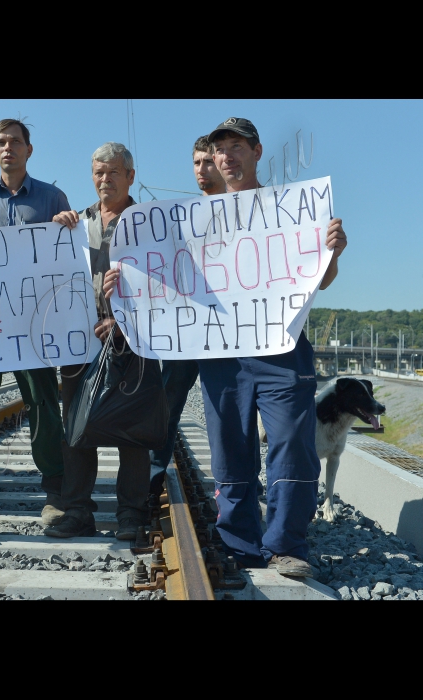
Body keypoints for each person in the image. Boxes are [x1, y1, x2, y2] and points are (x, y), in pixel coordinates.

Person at [107, 117, 347, 576]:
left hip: (282, 351)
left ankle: (287, 544)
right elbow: (163, 279)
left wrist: (331, 252)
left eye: (238, 146)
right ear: (213, 160)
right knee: (230, 449)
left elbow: (322, 282)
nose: (228, 156)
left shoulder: (292, 210)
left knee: (292, 446)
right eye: (221, 150)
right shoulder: (196, 221)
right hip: (222, 354)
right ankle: (239, 542)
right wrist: (125, 284)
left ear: (256, 153)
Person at [0, 118, 70, 523]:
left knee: (42, 402)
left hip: (34, 324)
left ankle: (54, 487)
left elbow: (66, 258)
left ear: (29, 150)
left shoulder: (52, 198)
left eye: (16, 142)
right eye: (1, 142)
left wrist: (65, 228)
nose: (9, 148)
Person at [44, 142, 149, 540]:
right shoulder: (75, 224)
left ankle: (132, 514)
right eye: (99, 173)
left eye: (114, 173)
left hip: (133, 341)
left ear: (130, 177)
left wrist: (124, 320)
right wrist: (53, 233)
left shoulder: (149, 222)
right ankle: (77, 510)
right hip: (79, 341)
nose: (105, 180)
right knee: (76, 428)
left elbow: (167, 284)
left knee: (133, 431)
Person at [147, 136, 225, 504]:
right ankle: (151, 473)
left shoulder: (254, 214)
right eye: (196, 163)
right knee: (169, 400)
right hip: (188, 330)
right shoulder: (181, 217)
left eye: (207, 162)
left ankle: (235, 484)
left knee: (227, 407)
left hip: (232, 333)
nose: (201, 170)